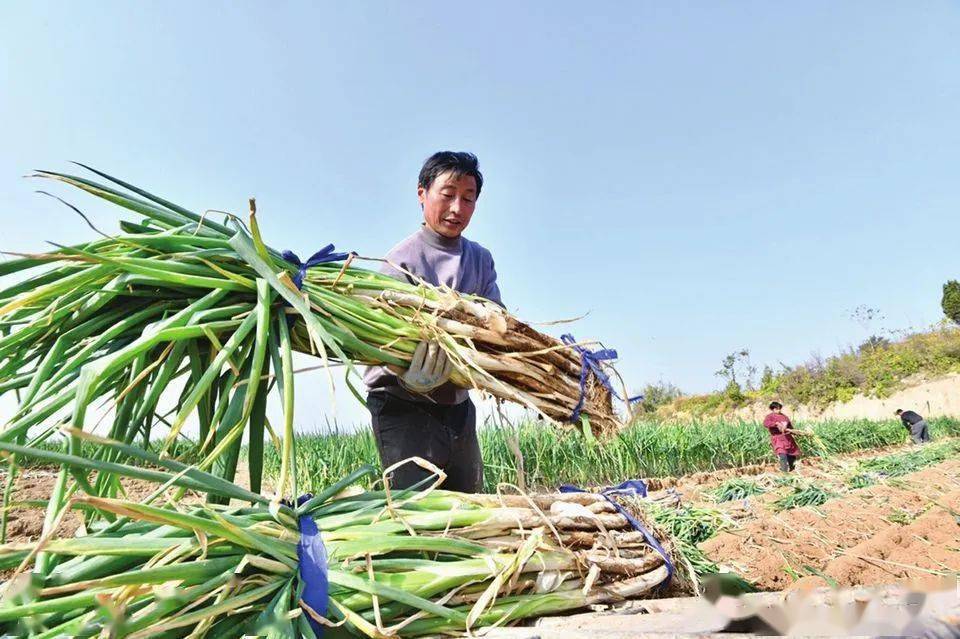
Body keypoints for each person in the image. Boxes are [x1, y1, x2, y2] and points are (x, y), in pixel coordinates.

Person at [363, 151, 502, 494]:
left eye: (468, 199)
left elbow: (498, 324)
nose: (458, 208)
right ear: (422, 193)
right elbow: (383, 342)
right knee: (419, 514)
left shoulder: (480, 260)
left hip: (456, 407)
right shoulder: (401, 262)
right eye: (448, 194)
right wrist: (411, 379)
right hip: (402, 404)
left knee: (469, 512)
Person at [763, 401, 801, 472]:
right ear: (773, 409)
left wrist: (795, 432)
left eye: (779, 408)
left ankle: (792, 471)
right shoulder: (770, 416)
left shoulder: (784, 417)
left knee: (791, 456)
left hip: (787, 438)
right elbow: (766, 424)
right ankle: (784, 472)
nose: (779, 410)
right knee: (782, 455)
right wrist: (775, 423)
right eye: (777, 408)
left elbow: (790, 426)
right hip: (778, 438)